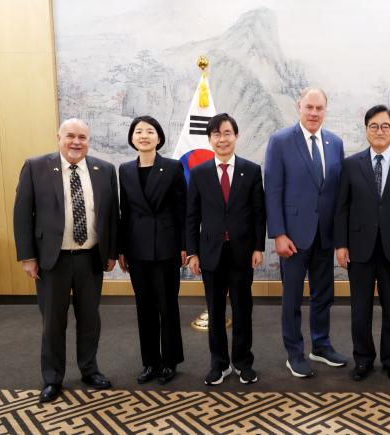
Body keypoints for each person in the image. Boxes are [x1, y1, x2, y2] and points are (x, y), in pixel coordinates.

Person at [13, 118, 118, 403]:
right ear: (58, 137)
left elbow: (112, 216)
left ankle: (89, 370)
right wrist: (27, 257)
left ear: (88, 141)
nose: (76, 142)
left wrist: (111, 253)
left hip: (90, 258)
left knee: (90, 320)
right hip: (52, 261)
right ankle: (52, 378)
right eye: (70, 135)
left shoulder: (104, 170)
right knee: (53, 322)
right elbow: (22, 214)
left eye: (82, 137)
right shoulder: (35, 167)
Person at [334, 105, 390, 382]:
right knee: (360, 309)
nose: (380, 131)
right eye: (374, 126)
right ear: (366, 130)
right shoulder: (351, 164)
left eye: (385, 126)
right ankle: (363, 359)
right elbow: (342, 208)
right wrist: (341, 244)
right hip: (359, 248)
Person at [265, 87, 348, 377]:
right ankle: (294, 353)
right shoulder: (280, 141)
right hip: (292, 237)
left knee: (323, 295)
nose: (314, 113)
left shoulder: (335, 143)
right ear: (299, 106)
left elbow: (337, 193)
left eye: (319, 108)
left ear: (325, 110)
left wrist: (340, 237)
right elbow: (272, 190)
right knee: (292, 299)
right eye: (309, 107)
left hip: (325, 235)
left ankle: (321, 346)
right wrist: (278, 233)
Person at [187, 113, 266, 386]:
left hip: (242, 253)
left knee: (243, 310)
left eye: (227, 133)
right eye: (217, 134)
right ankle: (219, 364)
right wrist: (192, 252)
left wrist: (258, 247)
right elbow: (191, 216)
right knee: (215, 310)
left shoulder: (251, 170)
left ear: (236, 136)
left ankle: (243, 362)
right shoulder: (199, 173)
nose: (222, 139)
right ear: (210, 139)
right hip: (210, 254)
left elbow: (259, 214)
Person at [117, 116, 186, 385]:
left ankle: (170, 362)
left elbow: (182, 209)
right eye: (138, 131)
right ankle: (150, 363)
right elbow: (124, 213)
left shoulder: (173, 167)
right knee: (143, 307)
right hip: (137, 250)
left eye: (149, 131)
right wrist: (122, 249)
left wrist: (184, 246)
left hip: (166, 248)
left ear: (159, 138)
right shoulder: (125, 170)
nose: (144, 135)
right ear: (132, 138)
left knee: (167, 307)